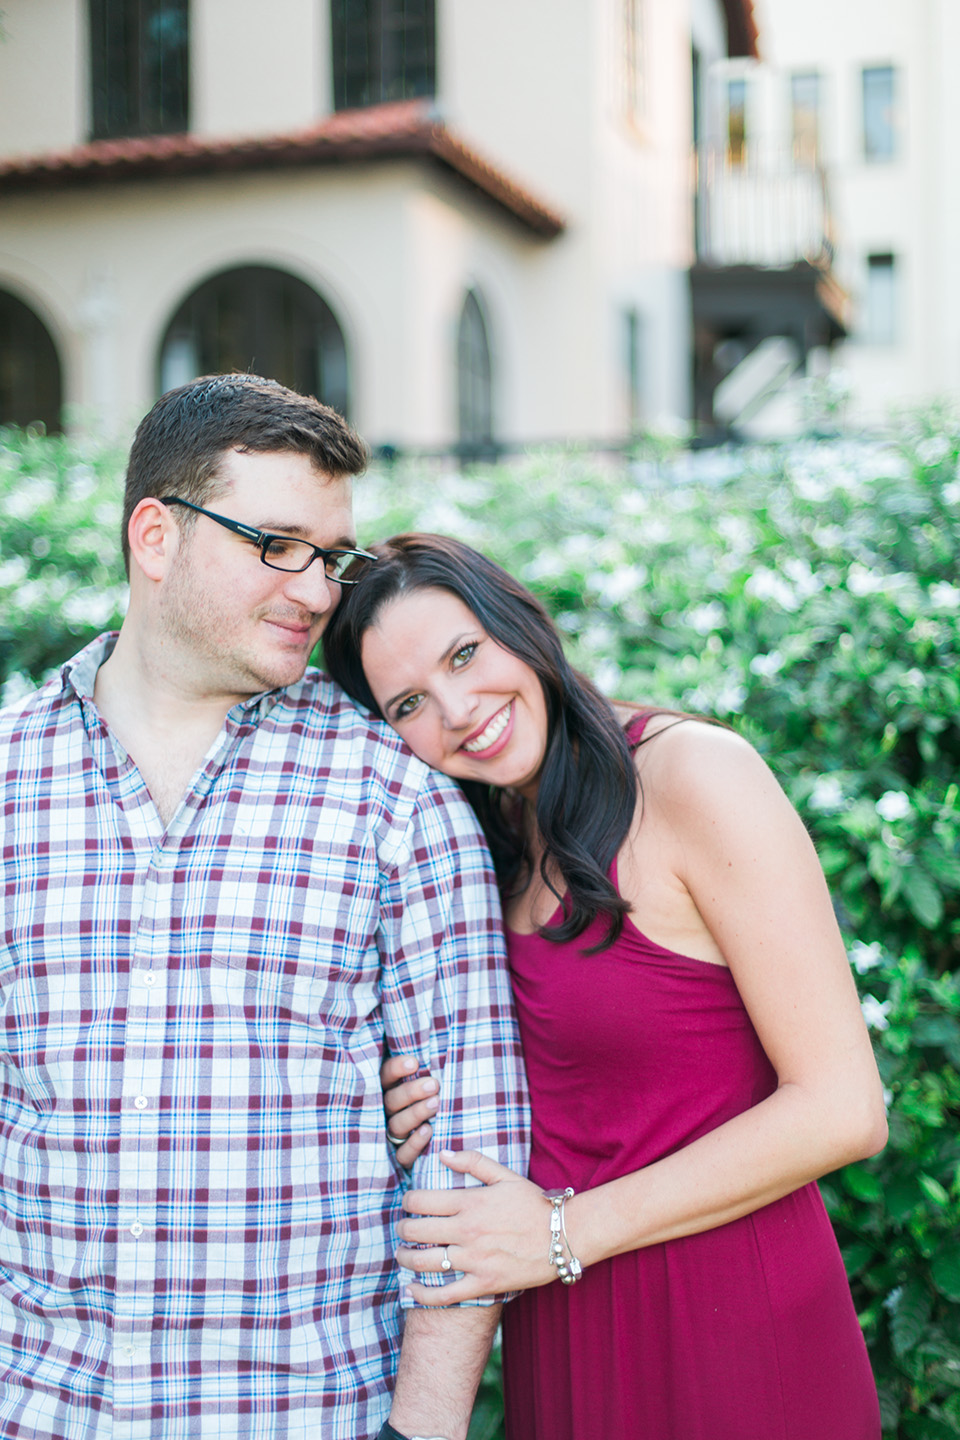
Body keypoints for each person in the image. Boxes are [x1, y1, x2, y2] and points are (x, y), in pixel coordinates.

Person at [0, 379, 529, 1440]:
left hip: (305, 1412)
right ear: (156, 536)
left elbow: (471, 1154)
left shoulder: (396, 798)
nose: (318, 588)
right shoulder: (9, 776)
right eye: (276, 543)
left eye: (328, 556)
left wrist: (418, 1433)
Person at [322, 532, 889, 1440]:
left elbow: (844, 1107)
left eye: (465, 654)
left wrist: (559, 1236)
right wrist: (399, 1100)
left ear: (522, 625)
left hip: (731, 1325)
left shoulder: (693, 775)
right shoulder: (485, 841)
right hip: (563, 1326)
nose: (460, 710)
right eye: (410, 703)